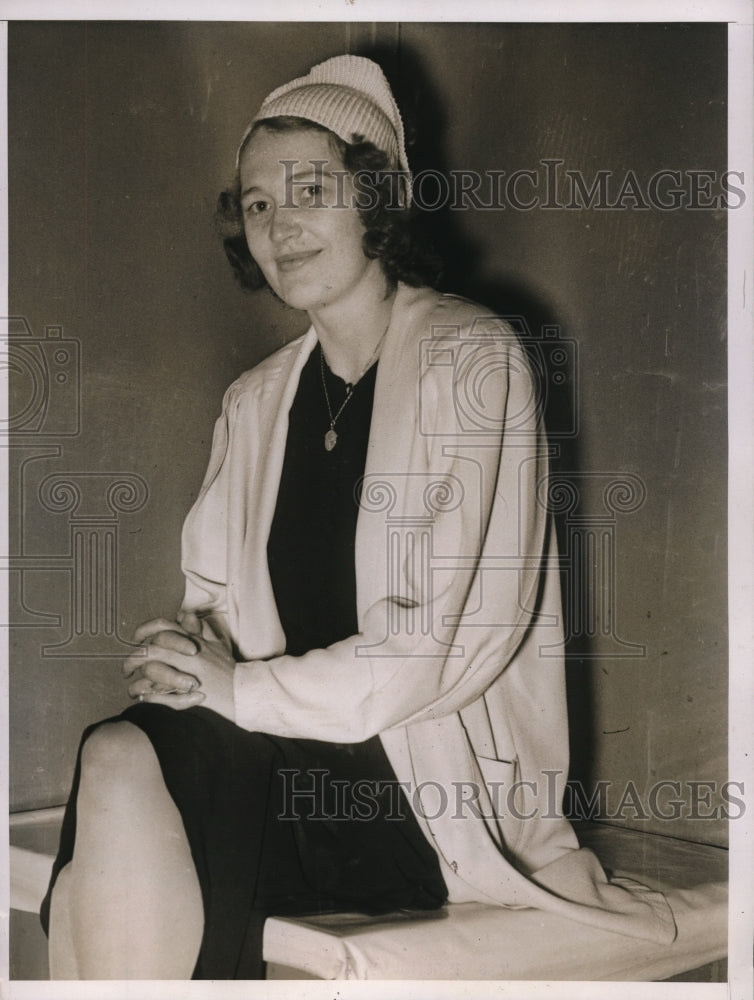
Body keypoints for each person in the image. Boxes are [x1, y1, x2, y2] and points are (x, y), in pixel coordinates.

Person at [41, 54, 675, 980]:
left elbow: (423, 654)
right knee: (120, 758)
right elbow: (214, 611)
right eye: (257, 204)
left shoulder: (473, 359)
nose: (279, 224)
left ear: (375, 197)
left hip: (423, 794)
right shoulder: (254, 402)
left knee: (128, 777)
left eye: (309, 190)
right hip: (276, 760)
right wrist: (183, 662)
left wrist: (232, 692)